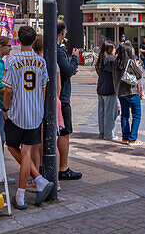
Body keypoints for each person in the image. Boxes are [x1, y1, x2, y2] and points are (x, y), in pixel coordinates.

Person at [1, 25, 55, 209]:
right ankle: (38, 180)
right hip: (34, 113)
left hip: (16, 112)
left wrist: (5, 108)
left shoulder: (12, 60)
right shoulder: (41, 62)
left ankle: (21, 195)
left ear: (18, 40)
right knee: (26, 152)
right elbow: (43, 89)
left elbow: (8, 90)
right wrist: (39, 108)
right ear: (33, 41)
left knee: (15, 149)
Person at [54, 19, 82, 181]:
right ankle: (63, 168)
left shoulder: (50, 48)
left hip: (51, 96)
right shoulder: (58, 50)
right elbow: (67, 71)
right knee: (64, 132)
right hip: (61, 98)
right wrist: (75, 58)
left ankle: (50, 166)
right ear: (63, 32)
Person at [114, 42, 144, 145]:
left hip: (121, 93)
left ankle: (125, 137)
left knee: (124, 115)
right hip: (132, 92)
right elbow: (139, 75)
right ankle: (133, 139)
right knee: (136, 115)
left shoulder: (115, 63)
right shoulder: (130, 62)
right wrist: (137, 66)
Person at [95, 41, 118, 140]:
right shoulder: (112, 59)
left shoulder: (101, 59)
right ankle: (109, 134)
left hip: (101, 88)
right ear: (110, 49)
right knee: (110, 113)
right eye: (113, 48)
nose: (115, 50)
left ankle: (102, 132)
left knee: (102, 112)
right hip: (109, 89)